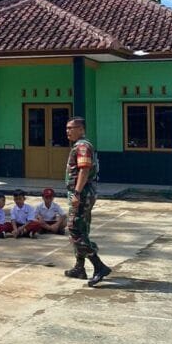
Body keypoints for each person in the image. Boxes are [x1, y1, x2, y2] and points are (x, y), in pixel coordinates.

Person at [63, 116, 112, 287]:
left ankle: (99, 266)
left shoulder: (82, 146)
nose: (68, 131)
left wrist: (76, 193)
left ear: (81, 129)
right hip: (83, 193)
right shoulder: (79, 146)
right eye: (67, 128)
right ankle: (79, 267)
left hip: (82, 194)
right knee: (82, 228)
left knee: (75, 229)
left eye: (72, 128)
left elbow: (84, 170)